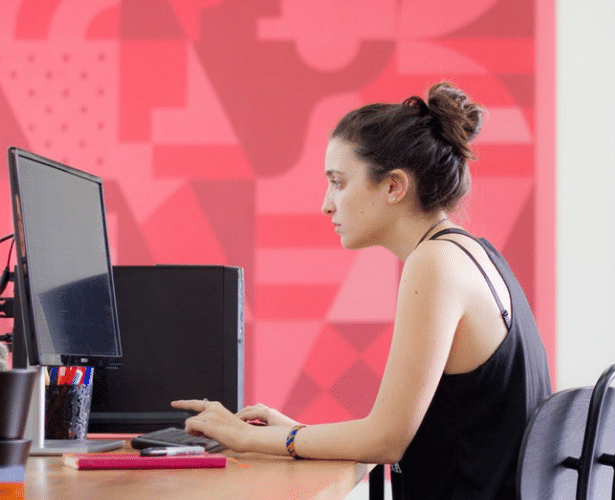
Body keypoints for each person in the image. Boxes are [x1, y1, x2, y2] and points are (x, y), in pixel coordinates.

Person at [172, 82, 552, 499]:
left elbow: (386, 441)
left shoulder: (434, 263)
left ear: (393, 187)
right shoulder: (472, 253)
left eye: (338, 182)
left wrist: (246, 437)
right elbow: (394, 430)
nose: (326, 204)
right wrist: (295, 432)